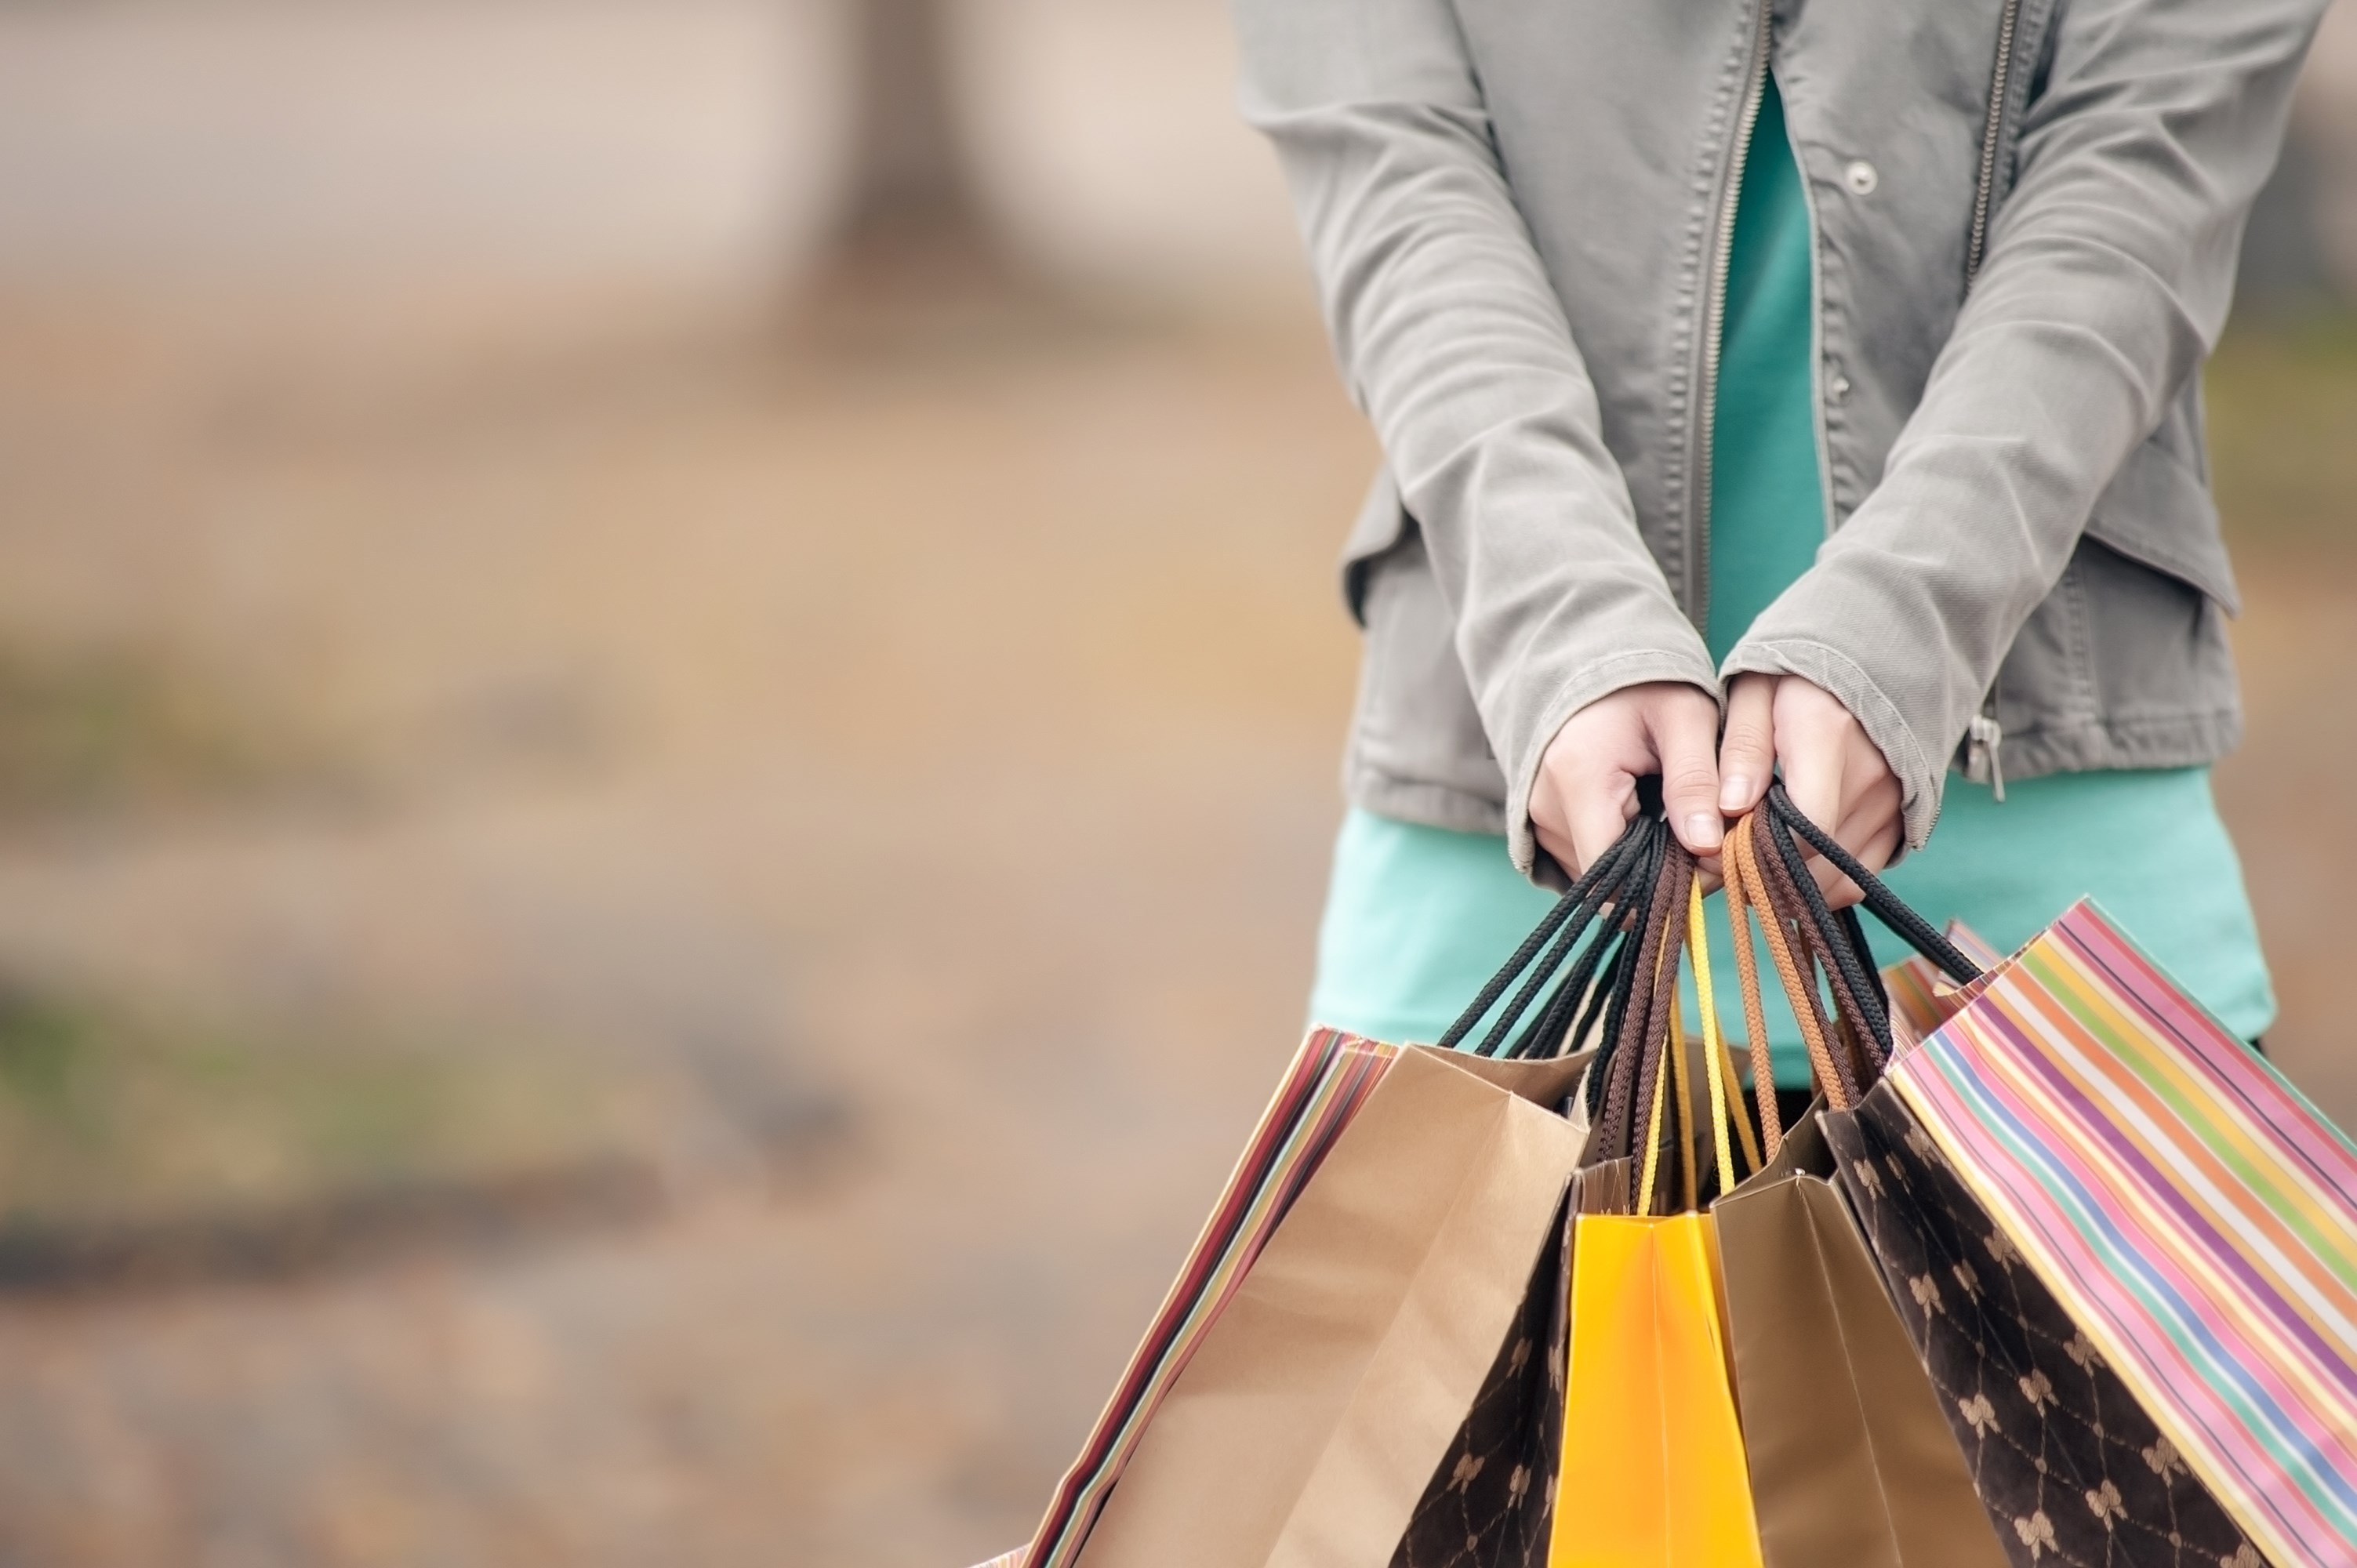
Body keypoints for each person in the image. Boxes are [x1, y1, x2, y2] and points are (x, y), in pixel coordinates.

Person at [1235, 0, 2322, 1085]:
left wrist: (1893, 636)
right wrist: (1565, 634)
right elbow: (1394, 179)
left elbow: (2133, 188)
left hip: (2047, 873)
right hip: (1503, 882)